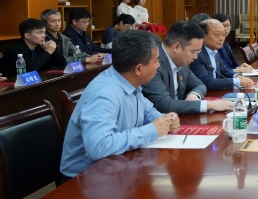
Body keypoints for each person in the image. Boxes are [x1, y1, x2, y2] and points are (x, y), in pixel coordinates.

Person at [60, 29, 180, 178]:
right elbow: (98, 146)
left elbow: (147, 111)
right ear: (139, 68)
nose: (158, 66)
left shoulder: (127, 79)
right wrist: (152, 130)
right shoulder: (105, 94)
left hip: (118, 166)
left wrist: (164, 120)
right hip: (85, 178)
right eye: (156, 60)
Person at [142, 21, 235, 114]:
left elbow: (200, 85)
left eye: (198, 52)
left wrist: (194, 94)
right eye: (194, 52)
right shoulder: (153, 64)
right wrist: (208, 105)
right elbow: (165, 105)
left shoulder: (182, 61)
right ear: (176, 47)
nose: (196, 57)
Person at [190, 18, 255, 90]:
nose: (221, 38)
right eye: (217, 35)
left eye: (223, 35)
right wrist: (237, 81)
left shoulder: (214, 51)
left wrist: (237, 76)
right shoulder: (197, 54)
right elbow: (205, 82)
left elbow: (223, 70)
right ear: (203, 36)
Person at [0, 18, 67, 75]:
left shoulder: (40, 46)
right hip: (15, 83)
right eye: (39, 32)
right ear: (27, 36)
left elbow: (62, 63)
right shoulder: (14, 49)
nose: (44, 36)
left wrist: (52, 51)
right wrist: (48, 52)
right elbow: (28, 69)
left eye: (44, 32)